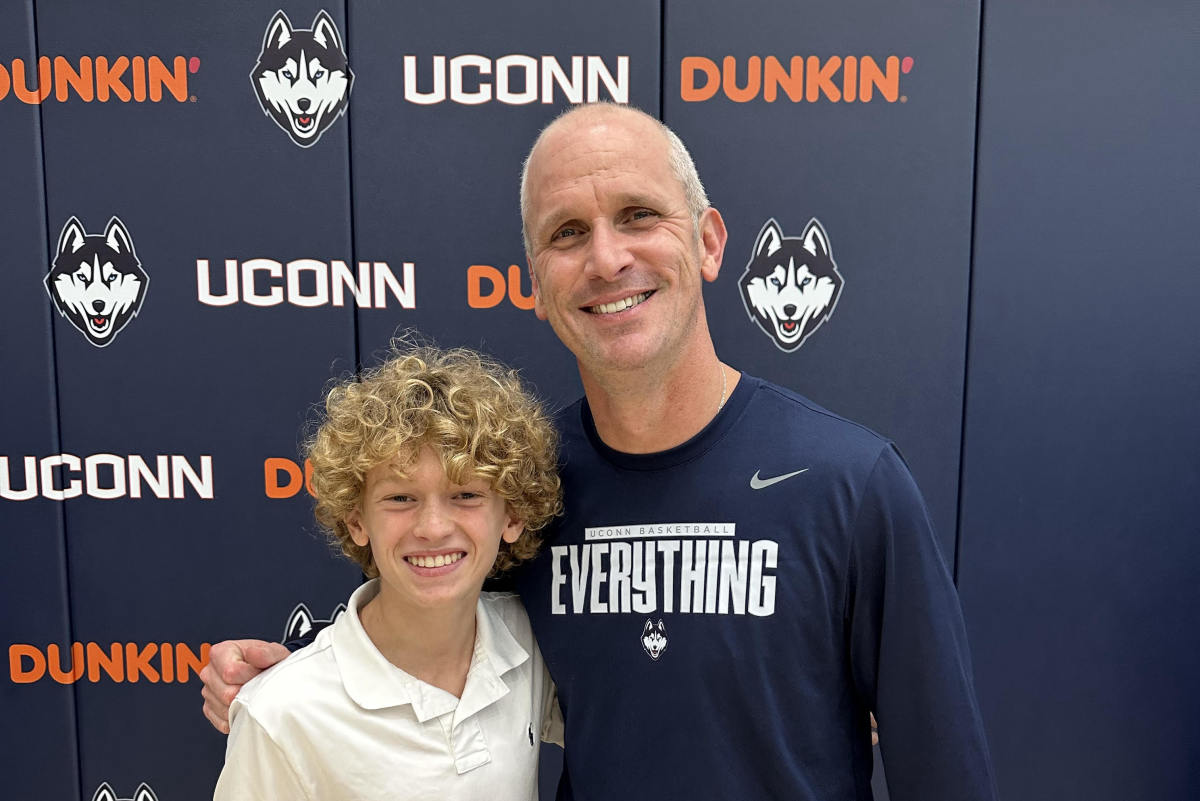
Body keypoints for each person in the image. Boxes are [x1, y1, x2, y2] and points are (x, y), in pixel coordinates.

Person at [203, 103, 997, 800]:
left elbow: (944, 769)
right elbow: (425, 633)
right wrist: (295, 689)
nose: (607, 258)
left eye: (640, 215)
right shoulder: (519, 489)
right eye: (568, 232)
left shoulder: (851, 484)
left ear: (711, 242)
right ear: (537, 284)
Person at [212, 345, 563, 800]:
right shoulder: (282, 713)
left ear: (512, 516)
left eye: (466, 496)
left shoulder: (530, 641)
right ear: (357, 520)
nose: (433, 528)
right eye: (400, 498)